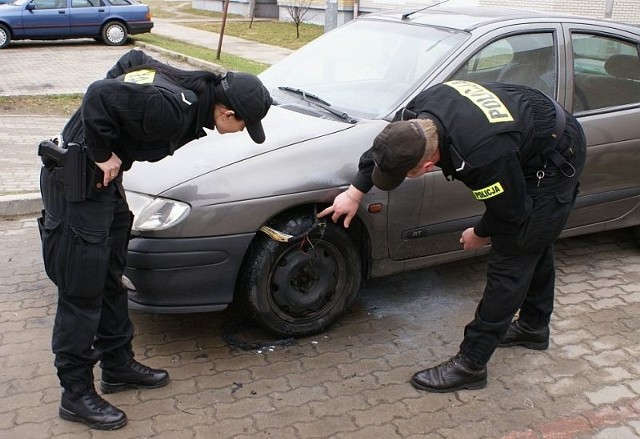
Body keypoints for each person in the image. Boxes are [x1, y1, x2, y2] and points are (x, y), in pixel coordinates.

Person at [37, 49, 272, 429]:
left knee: (111, 278)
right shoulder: (174, 108)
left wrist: (108, 145)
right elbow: (99, 94)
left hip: (99, 188)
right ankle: (75, 394)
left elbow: (133, 60)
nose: (243, 131)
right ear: (226, 113)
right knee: (81, 293)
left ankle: (117, 364)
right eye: (245, 125)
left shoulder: (188, 90)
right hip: (76, 187)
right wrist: (99, 150)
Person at [318, 80, 586, 393]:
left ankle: (472, 363)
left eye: (404, 175)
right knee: (533, 240)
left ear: (428, 165)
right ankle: (533, 327)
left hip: (554, 154)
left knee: (514, 252)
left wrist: (480, 233)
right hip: (521, 140)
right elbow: (386, 148)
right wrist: (354, 191)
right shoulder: (417, 115)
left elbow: (511, 213)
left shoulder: (481, 156)